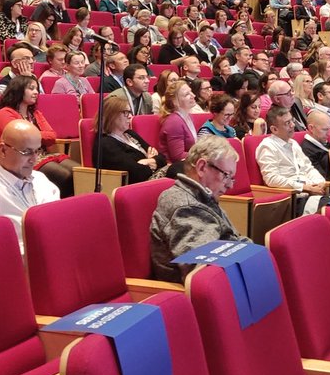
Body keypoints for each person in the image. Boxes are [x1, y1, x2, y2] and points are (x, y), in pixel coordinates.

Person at [149, 135, 249, 283]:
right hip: (195, 298)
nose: (230, 185)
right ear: (202, 167)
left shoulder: (201, 197)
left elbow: (232, 239)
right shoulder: (185, 206)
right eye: (226, 175)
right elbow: (204, 272)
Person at [0, 119, 61, 251]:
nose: (34, 159)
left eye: (37, 151)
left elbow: (58, 223)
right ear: (3, 150)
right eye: (26, 152)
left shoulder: (41, 179)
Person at [0, 75, 78, 196]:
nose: (36, 92)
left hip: (44, 155)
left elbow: (52, 136)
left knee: (78, 172)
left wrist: (34, 135)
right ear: (19, 90)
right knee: (65, 176)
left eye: (37, 89)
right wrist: (37, 136)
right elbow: (21, 138)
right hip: (21, 157)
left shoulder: (35, 113)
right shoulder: (5, 113)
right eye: (31, 88)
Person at [256, 105, 330, 214]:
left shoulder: (293, 143)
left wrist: (320, 183)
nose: (293, 125)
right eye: (287, 123)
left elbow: (308, 168)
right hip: (295, 199)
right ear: (274, 129)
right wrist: (305, 187)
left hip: (313, 193)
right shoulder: (267, 146)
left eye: (292, 121)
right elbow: (271, 179)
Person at [96, 93, 161, 184]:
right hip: (140, 185)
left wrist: (147, 161)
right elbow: (137, 173)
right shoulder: (105, 144)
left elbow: (162, 157)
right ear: (111, 116)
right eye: (126, 112)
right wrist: (152, 161)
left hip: (156, 176)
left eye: (130, 112)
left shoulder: (130, 133)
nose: (130, 116)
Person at [159, 78, 200, 170]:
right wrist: (202, 155)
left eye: (191, 92)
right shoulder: (174, 122)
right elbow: (178, 156)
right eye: (187, 94)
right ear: (175, 102)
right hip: (174, 169)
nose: (193, 95)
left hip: (188, 164)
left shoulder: (188, 116)